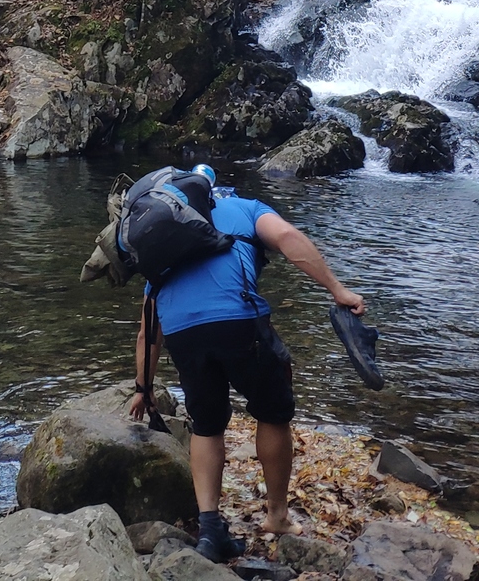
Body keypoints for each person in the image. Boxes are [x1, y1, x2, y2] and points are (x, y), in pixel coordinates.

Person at [127, 171, 364, 560]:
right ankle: (277, 516)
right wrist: (338, 290)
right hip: (239, 321)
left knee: (206, 425)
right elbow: (288, 240)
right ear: (216, 191)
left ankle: (209, 530)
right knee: (272, 413)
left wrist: (143, 388)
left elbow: (148, 332)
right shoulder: (244, 208)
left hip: (182, 333)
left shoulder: (161, 237)